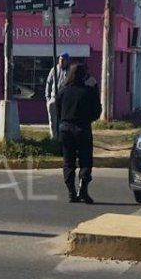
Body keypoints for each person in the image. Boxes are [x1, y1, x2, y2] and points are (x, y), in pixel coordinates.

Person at [56, 62, 102, 204]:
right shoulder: (88, 91)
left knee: (68, 162)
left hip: (65, 128)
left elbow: (57, 109)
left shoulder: (63, 91)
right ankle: (83, 189)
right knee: (85, 160)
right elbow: (97, 112)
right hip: (83, 129)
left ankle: (71, 192)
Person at [44, 53, 70, 140]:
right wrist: (47, 98)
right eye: (60, 59)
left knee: (62, 120)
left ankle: (62, 137)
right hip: (53, 98)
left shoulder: (70, 71)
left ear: (67, 61)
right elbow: (48, 83)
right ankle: (53, 137)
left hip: (65, 99)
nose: (61, 62)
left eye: (63, 60)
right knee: (52, 120)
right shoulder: (54, 70)